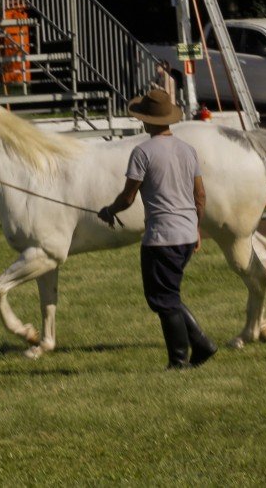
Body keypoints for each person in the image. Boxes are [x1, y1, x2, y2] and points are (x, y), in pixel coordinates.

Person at [98, 89, 217, 369]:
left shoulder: (142, 152)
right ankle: (200, 345)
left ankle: (180, 359)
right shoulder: (188, 150)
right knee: (168, 297)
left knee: (162, 300)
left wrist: (109, 211)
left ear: (147, 121)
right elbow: (200, 195)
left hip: (162, 237)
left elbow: (128, 197)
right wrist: (196, 228)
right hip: (187, 233)